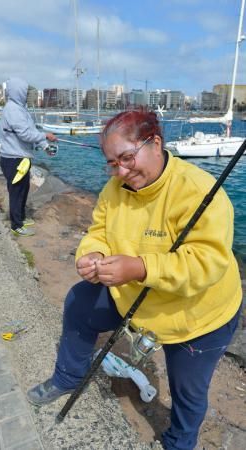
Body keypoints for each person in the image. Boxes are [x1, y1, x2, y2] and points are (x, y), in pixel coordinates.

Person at [27, 110, 242, 450]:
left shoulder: (199, 190)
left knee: (188, 390)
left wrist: (139, 267)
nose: (122, 172)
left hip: (198, 315)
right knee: (80, 301)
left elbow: (207, 263)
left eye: (127, 158)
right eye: (112, 163)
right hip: (135, 298)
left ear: (155, 143)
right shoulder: (115, 189)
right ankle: (68, 377)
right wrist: (92, 254)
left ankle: (179, 442)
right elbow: (98, 230)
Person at [0, 77, 57, 237]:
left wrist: (45, 146)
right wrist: (46, 135)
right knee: (16, 191)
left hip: (21, 157)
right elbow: (25, 134)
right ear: (18, 92)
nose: (26, 94)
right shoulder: (13, 110)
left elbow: (31, 131)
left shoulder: (20, 109)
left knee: (23, 189)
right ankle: (16, 225)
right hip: (13, 159)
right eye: (25, 92)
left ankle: (21, 217)